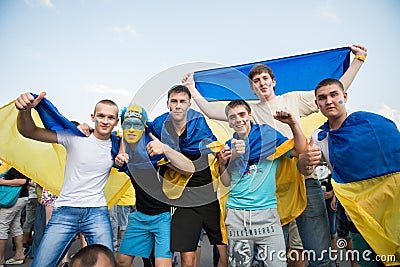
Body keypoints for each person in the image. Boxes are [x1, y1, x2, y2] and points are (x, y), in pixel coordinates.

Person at [183, 44, 367, 267]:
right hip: (271, 186)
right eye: (256, 81)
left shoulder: (294, 99)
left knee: (318, 250)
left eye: (264, 78)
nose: (261, 83)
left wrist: (358, 60)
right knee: (273, 256)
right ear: (251, 88)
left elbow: (333, 92)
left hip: (303, 178)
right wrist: (192, 88)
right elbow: (211, 111)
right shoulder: (248, 112)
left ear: (273, 81)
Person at [297, 78, 400, 267]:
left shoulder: (371, 122)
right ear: (317, 104)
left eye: (334, 95)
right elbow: (306, 169)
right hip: (358, 215)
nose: (328, 101)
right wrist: (303, 161)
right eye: (322, 98)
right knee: (367, 262)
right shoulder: (319, 137)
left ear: (344, 96)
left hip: (391, 207)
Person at [15, 92, 120, 267]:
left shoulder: (117, 145)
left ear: (116, 122)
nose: (105, 121)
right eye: (101, 116)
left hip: (96, 212)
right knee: (41, 264)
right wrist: (25, 110)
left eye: (111, 117)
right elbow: (29, 131)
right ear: (93, 117)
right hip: (65, 211)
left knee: (107, 264)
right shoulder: (74, 137)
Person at [217, 100, 306, 267]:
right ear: (229, 122)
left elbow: (299, 150)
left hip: (267, 216)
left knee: (277, 264)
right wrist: (223, 164)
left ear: (250, 115)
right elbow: (226, 182)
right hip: (237, 215)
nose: (238, 119)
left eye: (242, 114)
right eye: (233, 117)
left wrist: (293, 124)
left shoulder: (268, 137)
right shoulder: (228, 147)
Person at [148, 85, 228, 267]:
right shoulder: (160, 125)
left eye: (182, 101)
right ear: (168, 104)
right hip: (184, 198)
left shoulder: (198, 122)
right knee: (187, 258)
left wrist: (223, 156)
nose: (178, 105)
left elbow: (214, 145)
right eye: (174, 101)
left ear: (189, 104)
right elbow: (139, 131)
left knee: (225, 253)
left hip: (208, 196)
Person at [114, 104, 195, 267]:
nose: (131, 129)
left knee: (162, 264)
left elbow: (189, 169)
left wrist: (164, 149)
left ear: (144, 127)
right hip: (140, 216)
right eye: (127, 124)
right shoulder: (122, 149)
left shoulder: (155, 149)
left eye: (136, 125)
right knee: (122, 261)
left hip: (163, 217)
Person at [0, 167, 29, 266]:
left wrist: (2, 182)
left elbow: (22, 181)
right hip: (20, 198)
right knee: (15, 226)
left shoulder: (17, 165)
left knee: (2, 226)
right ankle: (19, 254)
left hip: (13, 199)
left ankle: (0, 260)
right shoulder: (21, 164)